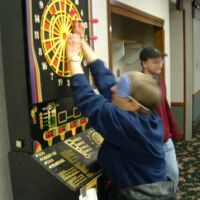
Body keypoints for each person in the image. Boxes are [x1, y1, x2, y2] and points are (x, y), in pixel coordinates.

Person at [66, 20, 175, 199]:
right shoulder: (143, 112)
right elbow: (106, 79)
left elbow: (87, 99)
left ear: (133, 104)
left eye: (121, 89)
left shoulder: (128, 123)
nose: (114, 89)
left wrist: (73, 56)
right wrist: (82, 40)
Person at [139, 47, 183, 193]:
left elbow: (165, 106)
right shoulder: (136, 83)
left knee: (173, 174)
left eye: (161, 62)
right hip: (148, 141)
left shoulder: (160, 80)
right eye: (156, 62)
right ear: (144, 63)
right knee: (153, 179)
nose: (160, 65)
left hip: (165, 138)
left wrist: (173, 131)